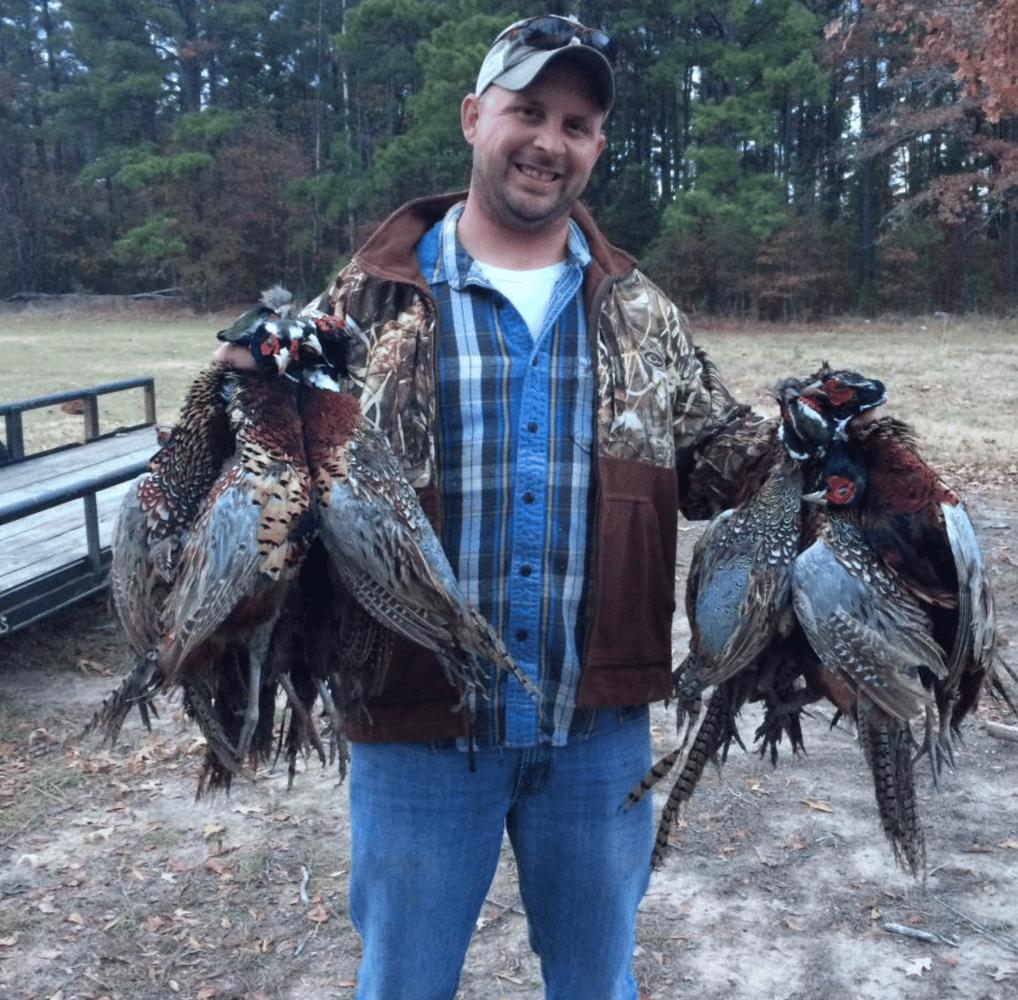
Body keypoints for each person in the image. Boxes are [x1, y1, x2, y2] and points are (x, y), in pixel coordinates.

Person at [221, 14, 773, 999]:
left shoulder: (639, 312)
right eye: (528, 111)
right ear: (475, 117)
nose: (548, 142)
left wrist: (832, 452)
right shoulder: (367, 304)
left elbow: (723, 462)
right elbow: (268, 468)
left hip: (595, 731)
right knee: (403, 982)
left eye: (576, 123)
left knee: (597, 983)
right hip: (416, 724)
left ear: (597, 148)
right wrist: (244, 392)